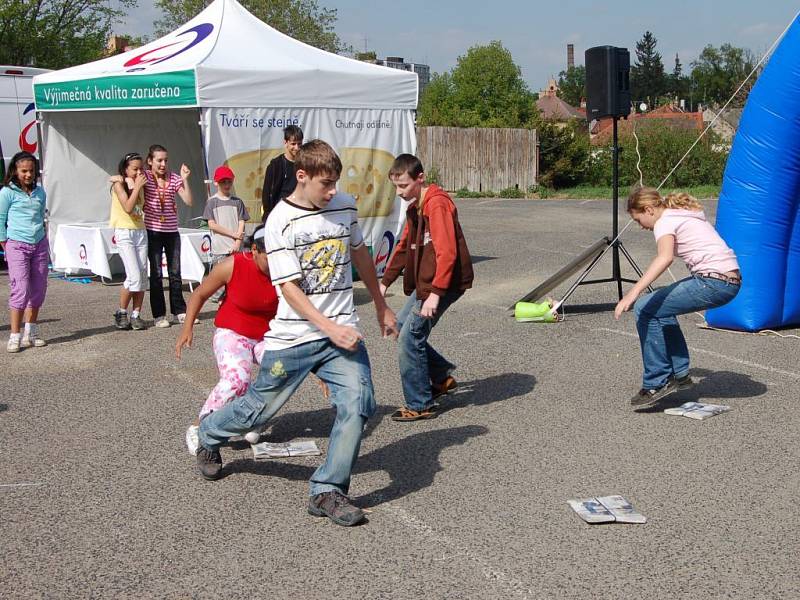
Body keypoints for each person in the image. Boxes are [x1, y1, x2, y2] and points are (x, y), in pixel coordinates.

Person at [195, 139, 398, 527]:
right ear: (301, 176)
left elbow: (359, 254)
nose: (333, 190)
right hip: (294, 337)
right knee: (259, 409)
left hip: (341, 331)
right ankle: (209, 432)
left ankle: (327, 490)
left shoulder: (345, 206)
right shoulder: (279, 222)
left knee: (357, 403)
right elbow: (288, 288)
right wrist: (328, 328)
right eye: (326, 183)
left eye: (336, 181)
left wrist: (381, 304)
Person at [614, 187, 741, 408]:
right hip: (727, 281)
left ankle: (657, 381)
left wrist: (631, 295)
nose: (640, 226)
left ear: (649, 209)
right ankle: (679, 375)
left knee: (644, 307)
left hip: (714, 282)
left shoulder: (664, 221)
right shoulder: (681, 213)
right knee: (658, 305)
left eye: (638, 219)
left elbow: (664, 258)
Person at [380, 154, 474, 421]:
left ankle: (420, 404)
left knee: (410, 338)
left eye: (404, 186)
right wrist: (384, 283)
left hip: (445, 284)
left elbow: (448, 253)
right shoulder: (415, 207)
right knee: (402, 328)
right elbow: (402, 248)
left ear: (420, 178)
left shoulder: (437, 205)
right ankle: (440, 378)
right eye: (396, 187)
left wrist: (435, 295)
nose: (399, 193)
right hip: (428, 284)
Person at [176, 226, 278, 455]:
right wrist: (187, 327)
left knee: (281, 371)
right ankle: (199, 426)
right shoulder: (234, 265)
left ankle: (249, 417)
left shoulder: (286, 270)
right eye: (270, 255)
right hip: (233, 332)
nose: (277, 261)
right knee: (237, 379)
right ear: (254, 250)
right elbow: (200, 294)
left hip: (267, 335)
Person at [0, 151, 49, 353]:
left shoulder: (40, 192)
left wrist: (43, 239)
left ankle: (31, 332)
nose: (28, 175)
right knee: (20, 289)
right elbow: (0, 220)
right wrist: (5, 244)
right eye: (24, 171)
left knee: (38, 288)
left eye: (31, 171)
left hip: (39, 243)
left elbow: (41, 216)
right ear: (15, 171)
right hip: (16, 244)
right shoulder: (7, 192)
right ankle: (14, 335)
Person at [142, 144, 194, 328]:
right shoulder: (145, 177)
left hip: (172, 231)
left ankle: (179, 311)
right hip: (153, 230)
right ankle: (159, 315)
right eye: (159, 160)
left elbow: (188, 201)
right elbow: (127, 176)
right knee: (155, 274)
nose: (163, 164)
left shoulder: (174, 178)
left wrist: (185, 179)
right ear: (150, 161)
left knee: (175, 273)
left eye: (165, 160)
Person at [109, 152, 148, 330]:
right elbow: (128, 207)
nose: (139, 172)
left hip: (140, 231)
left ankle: (136, 314)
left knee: (141, 274)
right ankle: (121, 311)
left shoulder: (141, 184)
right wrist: (135, 186)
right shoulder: (119, 184)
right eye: (134, 169)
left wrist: (139, 186)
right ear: (125, 169)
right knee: (132, 275)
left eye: (141, 168)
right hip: (125, 232)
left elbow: (141, 209)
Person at [203, 165, 249, 301]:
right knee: (220, 282)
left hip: (235, 247)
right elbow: (212, 225)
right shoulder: (212, 202)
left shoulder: (237, 202)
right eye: (223, 181)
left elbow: (242, 222)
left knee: (236, 279)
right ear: (216, 182)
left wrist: (238, 242)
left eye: (229, 181)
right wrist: (233, 235)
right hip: (220, 248)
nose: (227, 184)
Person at [261, 124, 303, 220]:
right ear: (285, 142)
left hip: (299, 215)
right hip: (279, 215)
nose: (296, 148)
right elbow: (267, 195)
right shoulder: (275, 165)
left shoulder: (305, 164)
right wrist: (268, 217)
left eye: (299, 144)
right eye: (293, 144)